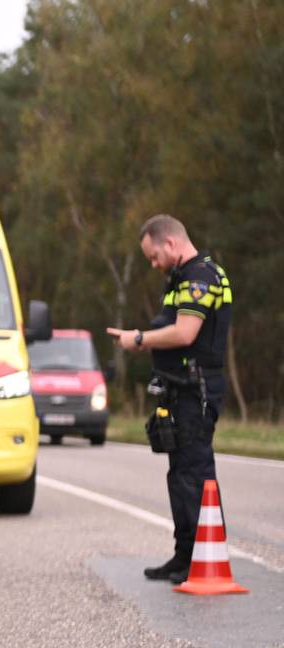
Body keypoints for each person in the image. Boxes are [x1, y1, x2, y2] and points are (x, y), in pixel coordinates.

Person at [107, 214, 233, 585]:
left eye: (153, 256)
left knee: (194, 473)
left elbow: (184, 332)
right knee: (180, 474)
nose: (153, 264)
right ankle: (184, 557)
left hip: (198, 391)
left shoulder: (202, 277)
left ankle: (204, 559)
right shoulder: (180, 278)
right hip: (181, 389)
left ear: (171, 243)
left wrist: (139, 340)